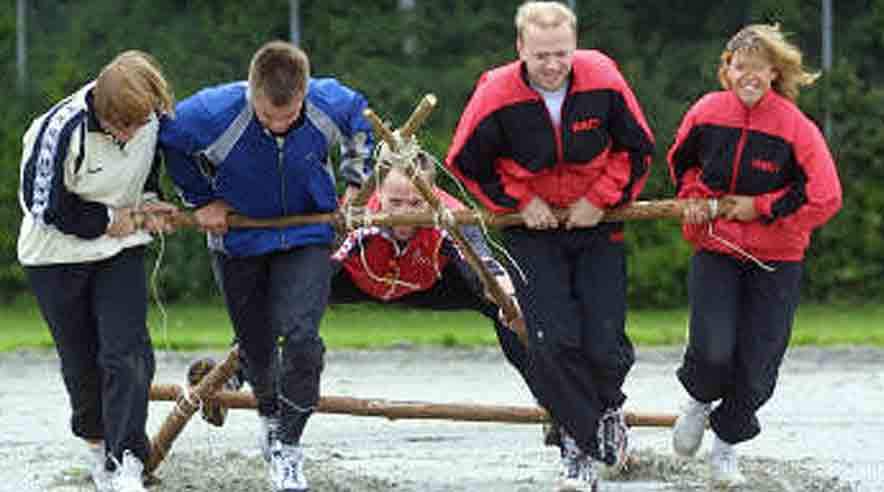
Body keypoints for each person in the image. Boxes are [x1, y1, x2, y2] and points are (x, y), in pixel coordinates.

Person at [445, 2, 655, 490]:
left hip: (597, 222)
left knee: (605, 342)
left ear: (575, 44)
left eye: (561, 53)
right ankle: (579, 449)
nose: (553, 64)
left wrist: (599, 200)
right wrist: (521, 201)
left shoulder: (602, 77)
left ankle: (608, 412)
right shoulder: (495, 92)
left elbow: (637, 150)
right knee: (551, 340)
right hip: (530, 231)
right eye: (541, 55)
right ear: (520, 48)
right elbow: (467, 163)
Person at [158, 40, 374, 492]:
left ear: (304, 94)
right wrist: (201, 199)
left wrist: (354, 185)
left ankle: (288, 447)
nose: (278, 126)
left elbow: (360, 119)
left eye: (288, 116)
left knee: (301, 337)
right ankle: (270, 419)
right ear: (251, 92)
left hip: (306, 234)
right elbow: (169, 140)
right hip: (239, 239)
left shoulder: (329, 102)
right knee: (255, 346)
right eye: (267, 117)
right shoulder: (210, 113)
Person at [667, 24, 842, 487]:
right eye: (739, 67)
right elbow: (681, 164)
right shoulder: (706, 111)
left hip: (777, 259)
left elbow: (825, 195)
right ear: (727, 70)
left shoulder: (795, 128)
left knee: (759, 364)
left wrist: (761, 207)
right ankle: (698, 402)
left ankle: (725, 447)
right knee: (712, 349)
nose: (748, 76)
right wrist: (692, 194)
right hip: (717, 248)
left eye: (758, 69)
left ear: (773, 73)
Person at [17, 50, 179, 492]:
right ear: (101, 110)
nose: (129, 134)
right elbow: (44, 205)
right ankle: (97, 449)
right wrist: (110, 220)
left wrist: (147, 207)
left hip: (119, 252)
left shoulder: (153, 120)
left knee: (126, 352)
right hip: (55, 254)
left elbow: (144, 177)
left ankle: (127, 461)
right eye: (119, 126)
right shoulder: (61, 127)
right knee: (82, 366)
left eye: (137, 125)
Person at [330, 159, 537, 394]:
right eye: (395, 203)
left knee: (510, 307)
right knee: (292, 302)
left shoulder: (451, 213)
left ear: (431, 194)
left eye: (415, 203)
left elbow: (483, 266)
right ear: (380, 192)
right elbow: (320, 267)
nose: (403, 214)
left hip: (428, 282)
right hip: (359, 281)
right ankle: (281, 405)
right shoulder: (358, 211)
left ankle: (554, 403)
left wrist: (509, 296)